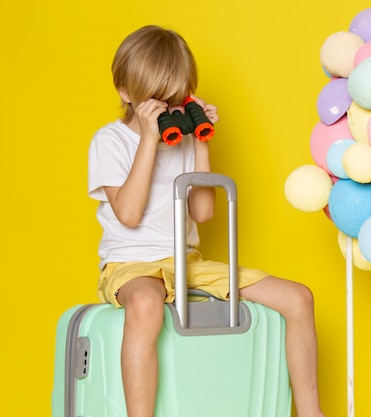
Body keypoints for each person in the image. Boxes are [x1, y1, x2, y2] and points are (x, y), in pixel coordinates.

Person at [88, 25, 325, 417]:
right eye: (155, 102)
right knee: (146, 304)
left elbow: (203, 212)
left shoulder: (181, 140)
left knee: (298, 298)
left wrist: (200, 141)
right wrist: (149, 139)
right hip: (131, 264)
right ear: (126, 94)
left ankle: (313, 412)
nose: (166, 112)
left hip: (186, 263)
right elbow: (128, 215)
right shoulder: (110, 141)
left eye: (174, 100)